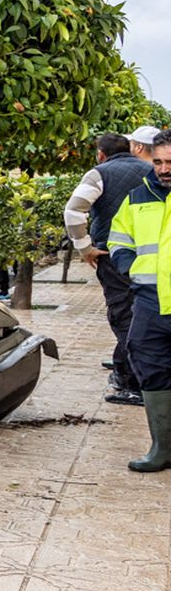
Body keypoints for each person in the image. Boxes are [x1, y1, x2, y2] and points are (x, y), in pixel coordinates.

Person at [68, 132, 153, 406]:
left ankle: (135, 384)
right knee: (144, 312)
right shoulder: (151, 170)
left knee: (123, 316)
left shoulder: (99, 173)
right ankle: (123, 371)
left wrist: (85, 248)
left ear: (101, 154)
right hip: (152, 255)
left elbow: (73, 211)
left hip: (113, 254)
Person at [107, 130, 171, 471]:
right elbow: (119, 238)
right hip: (148, 301)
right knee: (149, 367)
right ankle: (162, 449)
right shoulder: (137, 197)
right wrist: (127, 266)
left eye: (170, 162)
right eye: (158, 161)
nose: (163, 169)